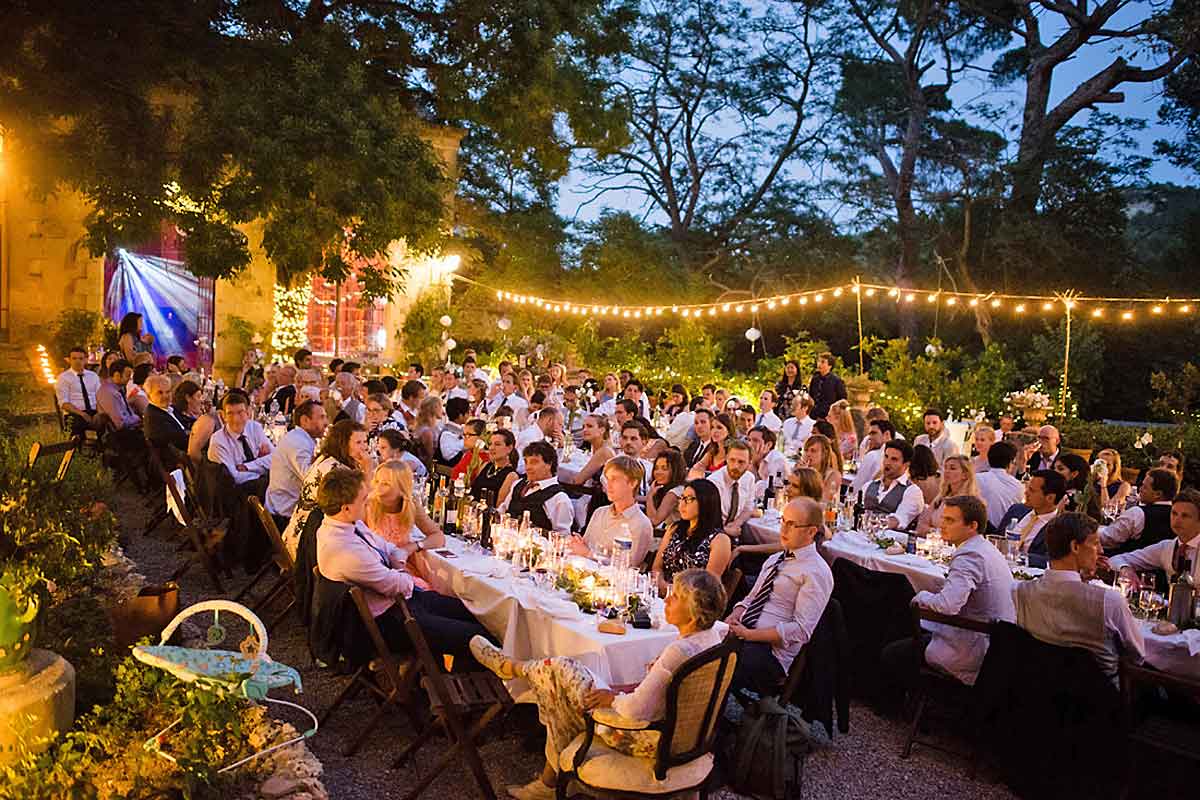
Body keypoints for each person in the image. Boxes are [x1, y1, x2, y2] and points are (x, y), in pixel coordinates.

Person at [468, 568, 729, 800]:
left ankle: (512, 669)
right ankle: (548, 781)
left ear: (693, 615)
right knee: (561, 680)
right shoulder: (713, 641)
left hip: (646, 738)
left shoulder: (678, 652)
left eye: (676, 597)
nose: (667, 599)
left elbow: (634, 711)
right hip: (685, 739)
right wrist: (621, 692)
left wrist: (612, 699)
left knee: (559, 678)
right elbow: (665, 692)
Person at [315, 467, 490, 672]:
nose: (368, 500)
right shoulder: (344, 550)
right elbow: (397, 585)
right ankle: (456, 683)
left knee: (480, 615)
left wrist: (398, 561)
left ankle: (448, 676)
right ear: (346, 508)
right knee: (479, 635)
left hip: (403, 603)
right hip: (392, 621)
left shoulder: (349, 525)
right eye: (363, 499)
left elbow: (388, 549)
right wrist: (401, 569)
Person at [884, 496, 1016, 687]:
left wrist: (921, 597)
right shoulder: (983, 547)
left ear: (972, 526)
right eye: (943, 518)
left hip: (972, 647)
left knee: (893, 644)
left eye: (950, 520)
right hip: (991, 640)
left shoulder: (970, 556)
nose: (942, 525)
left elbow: (948, 606)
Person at [1013, 513, 1144, 685]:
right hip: (1096, 695)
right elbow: (1137, 655)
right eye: (1095, 543)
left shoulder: (1021, 592)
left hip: (1038, 688)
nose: (1101, 550)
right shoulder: (1109, 601)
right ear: (1075, 547)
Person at [726, 497, 833, 696]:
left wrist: (749, 635)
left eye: (792, 524)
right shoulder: (775, 559)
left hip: (770, 654)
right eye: (783, 521)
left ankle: (709, 711)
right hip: (744, 633)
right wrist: (735, 614)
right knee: (697, 646)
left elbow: (801, 630)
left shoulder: (816, 572)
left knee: (720, 664)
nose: (783, 529)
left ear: (811, 531)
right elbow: (751, 599)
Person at [283, 419, 370, 556]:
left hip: (296, 533)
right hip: (307, 543)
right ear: (343, 444)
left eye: (365, 441)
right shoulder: (336, 470)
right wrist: (368, 468)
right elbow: (363, 501)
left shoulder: (326, 458)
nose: (365, 447)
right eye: (358, 442)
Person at [366, 461, 444, 588]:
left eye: (386, 484)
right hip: (376, 570)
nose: (378, 488)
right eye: (377, 481)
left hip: (401, 569)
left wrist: (412, 547)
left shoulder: (410, 507)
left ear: (402, 489)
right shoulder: (368, 506)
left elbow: (438, 537)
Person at [652, 479, 732, 595]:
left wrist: (674, 591)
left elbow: (708, 586)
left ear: (705, 502)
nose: (682, 504)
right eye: (681, 498)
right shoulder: (674, 529)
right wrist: (661, 583)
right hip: (663, 593)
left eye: (688, 499)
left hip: (694, 599)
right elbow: (657, 567)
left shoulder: (719, 540)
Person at [1110, 488, 1200, 591]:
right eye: (1174, 513)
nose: (1177, 520)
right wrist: (1126, 569)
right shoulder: (1167, 548)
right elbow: (1116, 559)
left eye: (1185, 516)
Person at [570, 457, 654, 565]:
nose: (608, 485)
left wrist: (588, 554)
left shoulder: (641, 525)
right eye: (607, 479)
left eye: (614, 479)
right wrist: (578, 544)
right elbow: (585, 548)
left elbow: (628, 567)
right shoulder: (600, 513)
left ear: (632, 483)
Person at [266, 400, 328, 529]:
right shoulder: (298, 443)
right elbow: (311, 480)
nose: (326, 422)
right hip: (285, 514)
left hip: (284, 506)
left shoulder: (300, 438)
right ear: (305, 420)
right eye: (321, 417)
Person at [498, 441, 574, 534]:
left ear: (549, 464)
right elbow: (502, 512)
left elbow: (562, 536)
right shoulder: (517, 485)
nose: (528, 467)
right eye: (526, 462)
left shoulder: (559, 499)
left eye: (534, 462)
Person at [1100, 468, 1178, 554]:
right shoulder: (1178, 515)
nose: (1140, 489)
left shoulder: (1137, 513)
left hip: (1125, 560)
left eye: (1144, 487)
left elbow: (1107, 539)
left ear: (1158, 494)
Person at [207, 391, 273, 489]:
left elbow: (275, 458)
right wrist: (263, 469)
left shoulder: (255, 427)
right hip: (235, 491)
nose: (236, 419)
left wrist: (248, 466)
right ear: (223, 416)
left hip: (260, 484)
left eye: (240, 412)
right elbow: (234, 477)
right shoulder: (218, 441)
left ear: (248, 412)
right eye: (230, 414)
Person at [863, 440, 925, 531]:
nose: (887, 462)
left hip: (887, 537)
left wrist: (877, 523)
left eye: (894, 459)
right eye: (886, 457)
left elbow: (899, 519)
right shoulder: (869, 485)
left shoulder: (913, 492)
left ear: (906, 465)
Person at [916, 455, 980, 535]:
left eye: (952, 468)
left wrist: (933, 532)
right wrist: (935, 533)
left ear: (965, 475)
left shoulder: (970, 503)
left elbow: (960, 533)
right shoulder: (940, 498)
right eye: (945, 468)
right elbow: (921, 524)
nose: (947, 471)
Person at [1013, 470, 1066, 565]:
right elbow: (996, 536)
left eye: (1032, 490)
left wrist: (1020, 558)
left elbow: (1052, 561)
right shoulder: (1017, 510)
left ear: (1050, 498)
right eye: (1027, 488)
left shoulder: (1059, 528)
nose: (1026, 492)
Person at [706, 440, 756, 540]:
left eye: (741, 462)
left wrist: (736, 523)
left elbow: (748, 508)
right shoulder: (714, 483)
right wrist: (725, 530)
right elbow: (704, 520)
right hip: (710, 536)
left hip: (734, 532)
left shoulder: (749, 478)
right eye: (732, 460)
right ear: (726, 458)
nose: (735, 466)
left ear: (750, 462)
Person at [975, 440, 1025, 532]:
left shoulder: (976, 479)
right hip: (1003, 532)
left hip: (979, 530)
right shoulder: (1018, 486)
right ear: (1011, 462)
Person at [55, 346, 102, 437]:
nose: (77, 361)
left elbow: (100, 397)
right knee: (77, 424)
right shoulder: (63, 378)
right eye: (74, 358)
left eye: (81, 358)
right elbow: (64, 403)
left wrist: (99, 413)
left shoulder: (93, 376)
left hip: (94, 411)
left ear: (86, 360)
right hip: (75, 413)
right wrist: (82, 414)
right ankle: (78, 444)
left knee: (108, 420)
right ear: (69, 360)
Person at [143, 373, 190, 454]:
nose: (165, 396)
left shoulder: (169, 408)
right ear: (149, 395)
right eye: (160, 393)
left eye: (168, 392)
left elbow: (186, 421)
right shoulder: (154, 417)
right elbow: (178, 442)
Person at [470, 428, 520, 504]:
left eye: (497, 444)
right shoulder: (485, 465)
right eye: (490, 444)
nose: (491, 448)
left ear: (509, 448)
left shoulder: (511, 476)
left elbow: (499, 506)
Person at [645, 450, 687, 532]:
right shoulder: (679, 487)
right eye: (656, 468)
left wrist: (649, 496)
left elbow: (654, 521)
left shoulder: (673, 493)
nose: (658, 472)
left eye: (664, 469)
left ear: (675, 471)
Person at [850, 418, 894, 495]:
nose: (870, 437)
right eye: (869, 434)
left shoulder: (872, 456)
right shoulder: (900, 458)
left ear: (887, 434)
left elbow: (857, 485)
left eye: (873, 433)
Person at [687, 412, 734, 478]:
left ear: (728, 430)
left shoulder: (734, 451)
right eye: (712, 427)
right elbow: (697, 467)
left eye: (719, 427)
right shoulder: (712, 451)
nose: (714, 431)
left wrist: (703, 474)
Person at [801, 433, 843, 505]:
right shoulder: (801, 471)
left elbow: (824, 501)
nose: (808, 454)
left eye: (813, 451)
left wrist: (805, 477)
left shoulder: (833, 475)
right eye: (806, 450)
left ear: (824, 454)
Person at [807, 352, 846, 420]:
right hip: (813, 415)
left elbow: (842, 399)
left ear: (830, 366)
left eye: (823, 362)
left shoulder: (836, 381)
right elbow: (811, 395)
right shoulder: (815, 379)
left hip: (828, 416)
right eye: (818, 361)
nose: (819, 364)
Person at [450, 419, 489, 484]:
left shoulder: (485, 459)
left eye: (469, 435)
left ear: (481, 436)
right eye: (464, 435)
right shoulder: (469, 453)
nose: (464, 438)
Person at [435, 397, 469, 466]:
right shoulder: (446, 434)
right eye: (467, 413)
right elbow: (448, 457)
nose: (469, 415)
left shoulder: (460, 429)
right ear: (460, 416)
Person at [411, 396, 443, 463]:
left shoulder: (433, 427)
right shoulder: (427, 431)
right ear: (435, 409)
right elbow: (430, 456)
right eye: (440, 407)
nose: (442, 410)